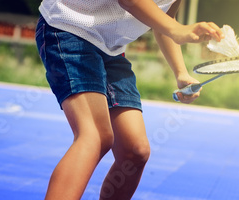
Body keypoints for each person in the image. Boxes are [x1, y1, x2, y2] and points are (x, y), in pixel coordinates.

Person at [35, 0, 224, 199]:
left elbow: (165, 17)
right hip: (69, 28)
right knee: (95, 136)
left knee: (134, 151)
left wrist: (181, 72)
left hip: (110, 48)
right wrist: (178, 30)